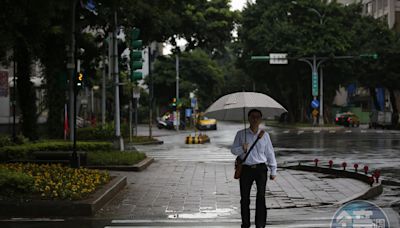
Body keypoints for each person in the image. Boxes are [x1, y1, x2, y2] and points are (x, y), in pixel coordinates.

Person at [231, 109, 277, 228]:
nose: (255, 119)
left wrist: (273, 170)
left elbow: (270, 153)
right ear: (249, 119)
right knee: (245, 198)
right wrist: (242, 148)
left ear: (260, 119)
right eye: (252, 117)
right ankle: (245, 223)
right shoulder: (241, 134)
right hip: (246, 169)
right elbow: (233, 150)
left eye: (257, 117)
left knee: (261, 196)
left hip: (261, 169)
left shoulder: (265, 135)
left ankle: (260, 224)